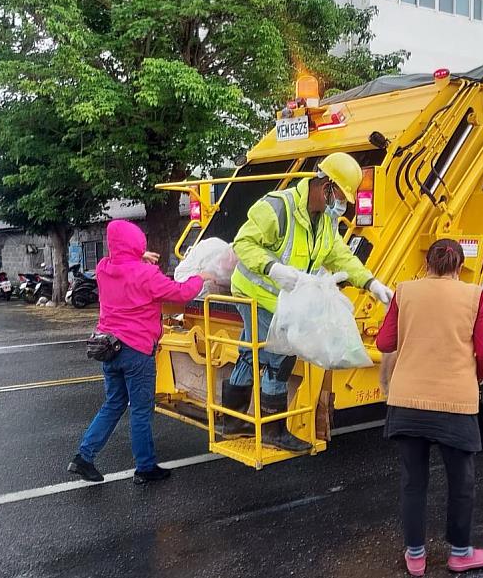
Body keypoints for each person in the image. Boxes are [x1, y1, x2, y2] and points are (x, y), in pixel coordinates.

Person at [227, 152, 393, 451]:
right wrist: (273, 269)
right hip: (255, 290)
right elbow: (243, 243)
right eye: (341, 195)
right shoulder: (279, 206)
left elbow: (340, 255)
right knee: (282, 353)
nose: (342, 204)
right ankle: (274, 430)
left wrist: (370, 283)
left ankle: (233, 421)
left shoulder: (325, 220)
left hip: (280, 298)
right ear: (326, 185)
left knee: (252, 353)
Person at [376, 239, 483, 576]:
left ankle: (415, 557)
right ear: (459, 267)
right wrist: (475, 375)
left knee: (413, 481)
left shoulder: (404, 291)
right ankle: (460, 553)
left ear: (427, 264)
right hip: (455, 403)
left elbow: (385, 343)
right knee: (461, 481)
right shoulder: (475, 296)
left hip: (407, 400)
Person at [68, 220, 212, 484]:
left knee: (113, 403)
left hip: (108, 347)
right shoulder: (146, 275)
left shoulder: (103, 268)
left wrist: (136, 256)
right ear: (138, 243)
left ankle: (83, 457)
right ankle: (145, 467)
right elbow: (179, 294)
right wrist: (200, 278)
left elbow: (117, 259)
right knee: (141, 410)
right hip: (136, 351)